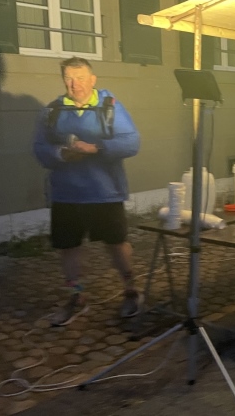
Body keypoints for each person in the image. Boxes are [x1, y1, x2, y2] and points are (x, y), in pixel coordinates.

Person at [33, 57, 142, 326]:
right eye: (69, 78)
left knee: (117, 245)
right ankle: (77, 296)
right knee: (68, 248)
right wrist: (60, 154)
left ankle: (131, 290)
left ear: (93, 80)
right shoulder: (53, 111)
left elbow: (132, 142)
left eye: (80, 78)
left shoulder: (110, 106)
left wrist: (96, 148)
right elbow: (39, 149)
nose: (75, 84)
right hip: (66, 194)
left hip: (105, 193)